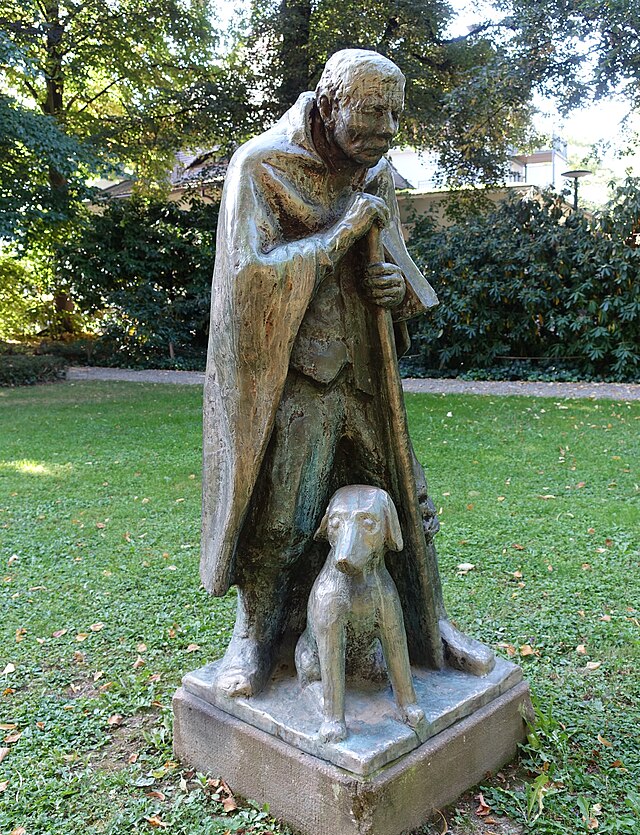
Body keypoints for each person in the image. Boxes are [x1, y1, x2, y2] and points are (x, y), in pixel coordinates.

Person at [200, 49, 493, 698]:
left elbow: (398, 272)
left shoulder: (374, 170)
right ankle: (252, 637)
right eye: (372, 112)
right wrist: (341, 233)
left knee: (408, 507)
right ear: (329, 103)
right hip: (299, 379)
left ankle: (430, 625)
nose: (387, 127)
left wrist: (395, 290)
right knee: (282, 515)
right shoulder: (262, 167)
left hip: (365, 370)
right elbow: (248, 286)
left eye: (396, 113)